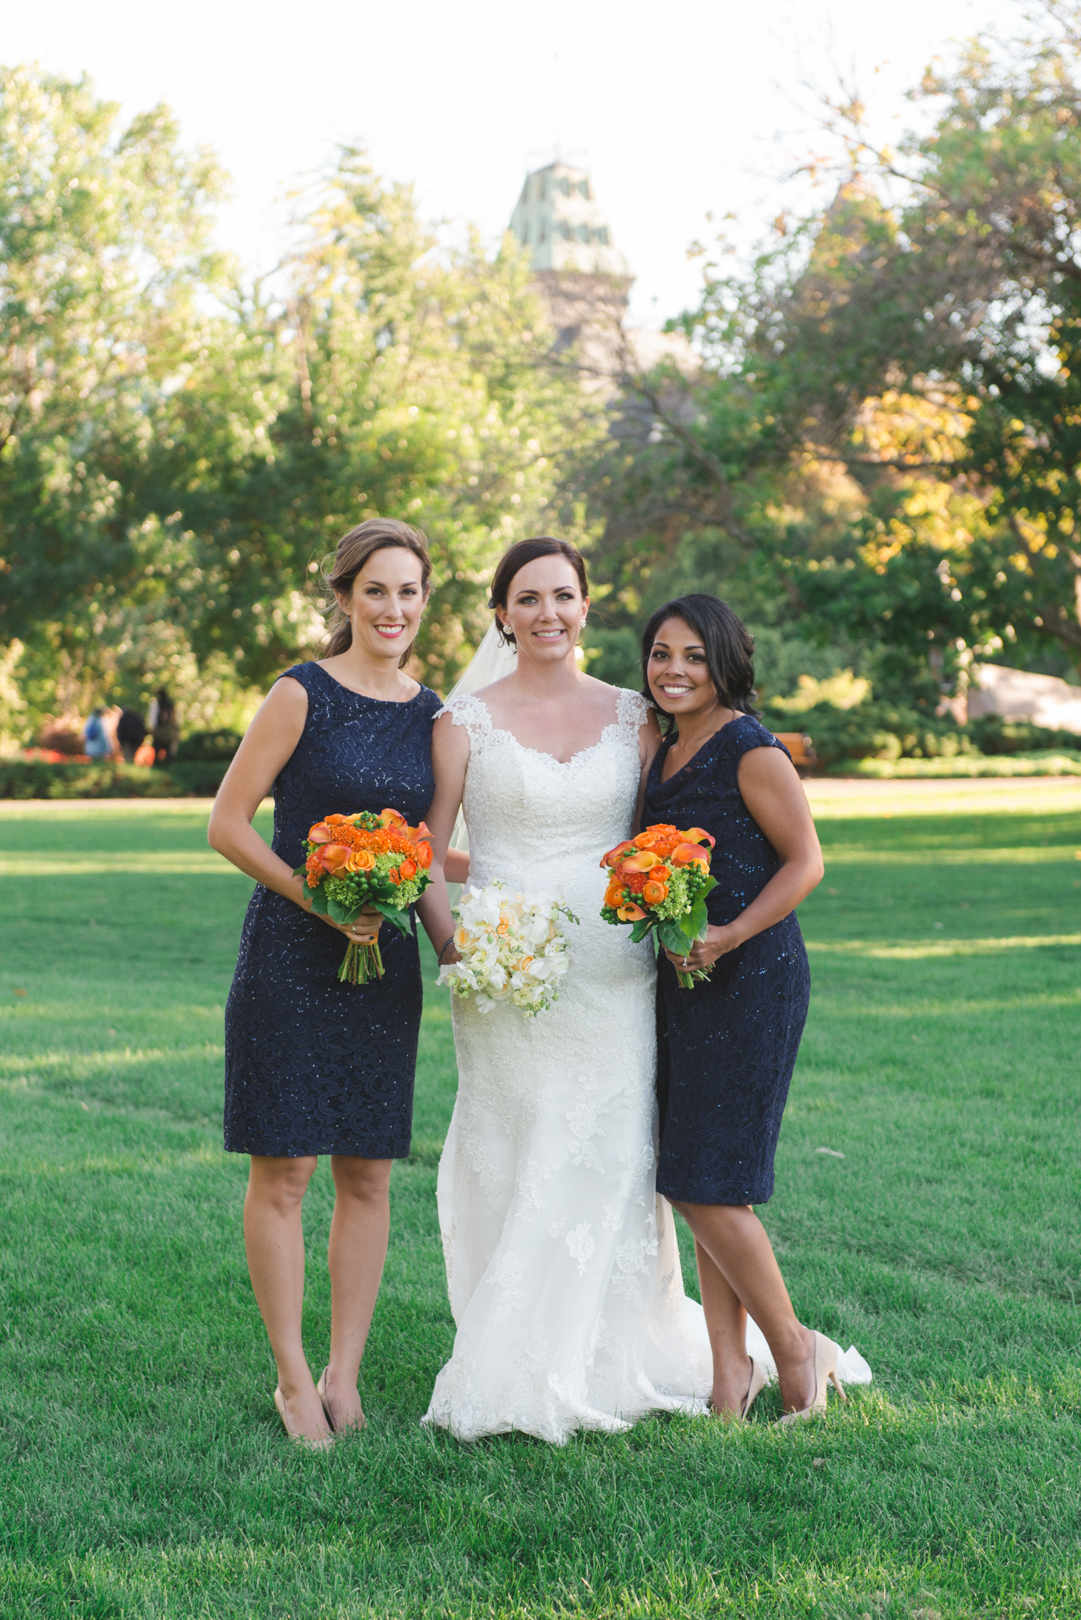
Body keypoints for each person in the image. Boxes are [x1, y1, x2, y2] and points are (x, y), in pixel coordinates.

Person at [418, 537, 712, 1444]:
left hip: (614, 969)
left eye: (565, 596)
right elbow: (429, 856)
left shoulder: (637, 716)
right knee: (515, 1140)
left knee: (612, 1142)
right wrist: (459, 949)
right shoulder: (461, 720)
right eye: (528, 598)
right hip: (501, 972)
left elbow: (671, 831)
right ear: (501, 613)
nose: (548, 613)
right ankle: (507, 1347)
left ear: (586, 607)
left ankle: (613, 1346)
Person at [208, 518, 469, 1447]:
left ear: (424, 601)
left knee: (366, 1173)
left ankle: (343, 1376)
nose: (393, 609)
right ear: (345, 597)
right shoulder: (299, 693)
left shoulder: (436, 718)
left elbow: (431, 856)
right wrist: (313, 898)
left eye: (409, 592)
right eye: (376, 591)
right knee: (284, 1171)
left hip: (381, 965)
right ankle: (289, 1380)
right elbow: (229, 823)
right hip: (287, 952)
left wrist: (467, 950)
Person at [642, 594, 854, 1421]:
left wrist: (726, 935)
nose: (674, 670)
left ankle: (793, 1346)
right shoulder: (662, 750)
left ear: (725, 661)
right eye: (661, 654)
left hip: (750, 978)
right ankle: (729, 1375)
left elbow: (805, 864)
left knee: (705, 1183)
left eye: (692, 656)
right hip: (680, 981)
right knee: (694, 1173)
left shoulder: (748, 747)